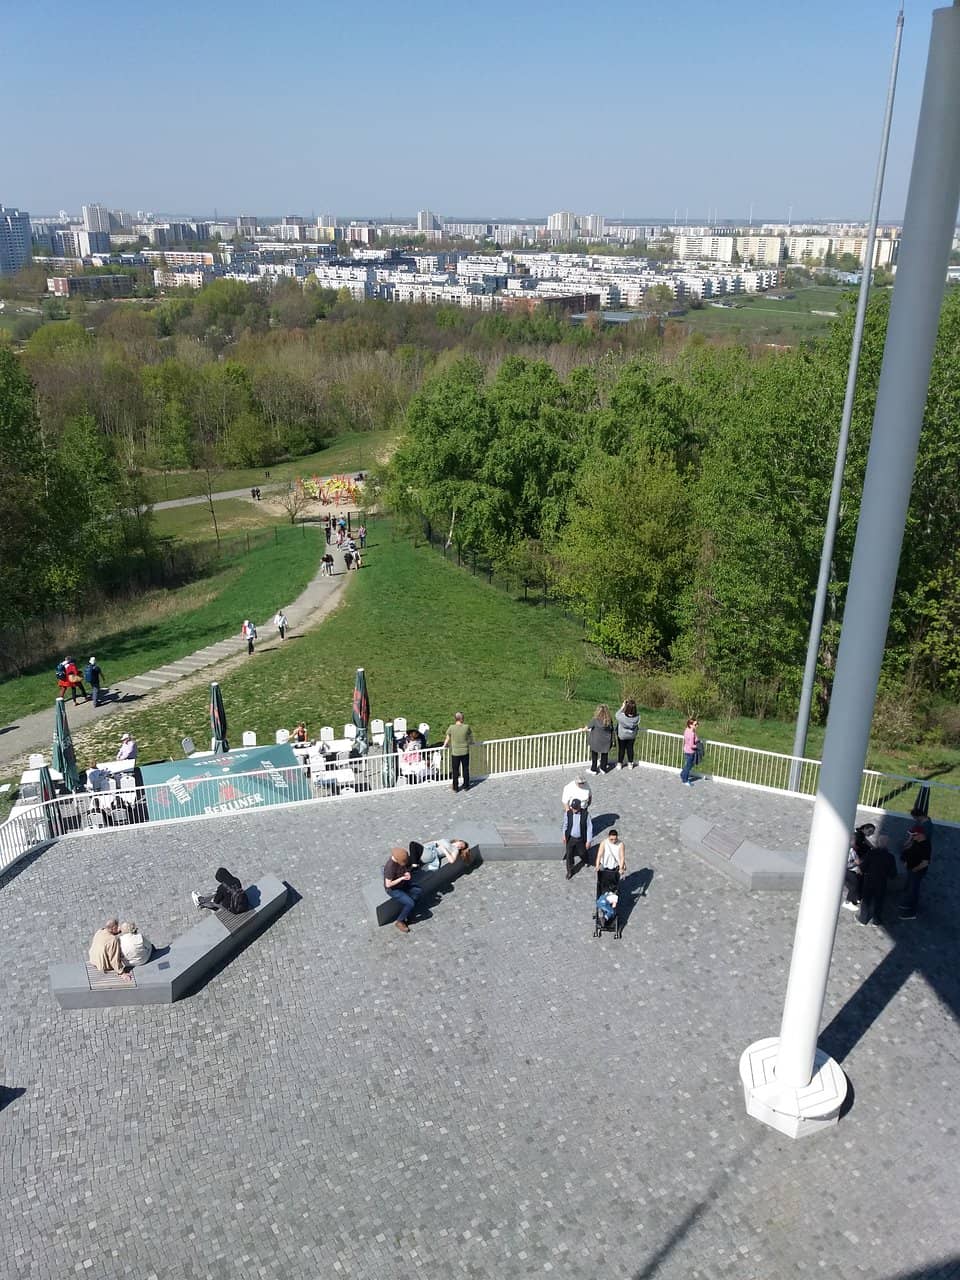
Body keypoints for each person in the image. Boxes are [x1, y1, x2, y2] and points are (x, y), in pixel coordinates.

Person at [856, 836, 898, 927]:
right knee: (879, 901)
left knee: (866, 901)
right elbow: (893, 874)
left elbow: (863, 867)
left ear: (878, 843)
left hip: (869, 880)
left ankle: (863, 920)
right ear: (887, 845)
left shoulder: (871, 853)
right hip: (881, 882)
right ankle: (876, 920)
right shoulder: (890, 857)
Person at [899, 816, 933, 920]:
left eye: (913, 835)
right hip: (911, 868)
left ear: (920, 835)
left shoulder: (925, 846)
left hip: (916, 871)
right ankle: (908, 904)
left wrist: (915, 869)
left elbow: (925, 862)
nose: (912, 836)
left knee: (914, 890)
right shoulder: (916, 841)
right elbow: (906, 848)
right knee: (910, 888)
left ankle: (912, 912)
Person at [383, 847, 421, 933]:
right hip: (393, 889)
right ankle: (400, 921)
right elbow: (388, 884)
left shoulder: (400, 861)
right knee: (410, 903)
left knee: (417, 891)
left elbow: (405, 868)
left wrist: (407, 873)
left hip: (402, 883)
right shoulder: (390, 867)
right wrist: (402, 878)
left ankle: (409, 911)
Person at [841, 823, 875, 911]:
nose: (871, 834)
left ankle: (856, 898)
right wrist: (858, 864)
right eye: (870, 832)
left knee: (857, 882)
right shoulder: (853, 846)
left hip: (856, 864)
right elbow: (850, 862)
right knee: (855, 884)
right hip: (851, 867)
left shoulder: (859, 837)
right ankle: (849, 901)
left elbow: (864, 841)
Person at [562, 797, 594, 880]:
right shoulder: (568, 813)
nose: (574, 810)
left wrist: (588, 841)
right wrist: (564, 836)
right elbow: (565, 825)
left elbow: (589, 828)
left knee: (582, 853)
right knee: (569, 854)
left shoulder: (585, 814)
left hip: (580, 839)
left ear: (580, 807)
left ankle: (585, 859)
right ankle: (570, 871)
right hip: (570, 838)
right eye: (573, 808)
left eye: (576, 808)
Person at [444, 711, 475, 794]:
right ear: (462, 719)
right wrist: (472, 742)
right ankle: (466, 786)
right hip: (465, 751)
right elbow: (470, 737)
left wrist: (445, 745)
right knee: (465, 769)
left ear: (455, 719)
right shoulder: (466, 727)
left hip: (455, 752)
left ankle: (455, 787)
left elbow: (447, 739)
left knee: (455, 770)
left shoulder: (451, 727)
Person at [584, 705, 615, 774]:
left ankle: (593, 769)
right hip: (606, 742)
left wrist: (582, 729)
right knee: (605, 755)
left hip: (596, 741)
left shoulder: (595, 720)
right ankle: (603, 768)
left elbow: (588, 727)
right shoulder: (609, 721)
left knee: (594, 755)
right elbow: (612, 729)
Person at [595, 828, 626, 894]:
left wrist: (621, 868)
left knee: (614, 883)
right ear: (608, 837)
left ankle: (613, 895)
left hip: (615, 866)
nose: (613, 841)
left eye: (615, 839)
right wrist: (597, 865)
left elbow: (622, 857)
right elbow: (599, 854)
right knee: (603, 882)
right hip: (605, 865)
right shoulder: (604, 843)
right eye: (611, 839)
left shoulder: (621, 844)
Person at [615, 699, 640, 769]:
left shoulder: (622, 717)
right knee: (630, 749)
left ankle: (620, 763)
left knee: (621, 749)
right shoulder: (637, 717)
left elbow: (616, 714)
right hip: (632, 735)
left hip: (622, 735)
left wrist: (622, 707)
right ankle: (630, 764)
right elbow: (637, 715)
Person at [680, 717, 700, 786]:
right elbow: (692, 745)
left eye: (697, 724)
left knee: (688, 765)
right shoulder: (691, 733)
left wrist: (696, 739)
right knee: (688, 766)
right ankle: (685, 780)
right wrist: (698, 746)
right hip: (690, 752)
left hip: (686, 750)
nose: (697, 725)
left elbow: (693, 738)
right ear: (691, 725)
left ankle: (683, 774)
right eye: (695, 724)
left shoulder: (687, 730)